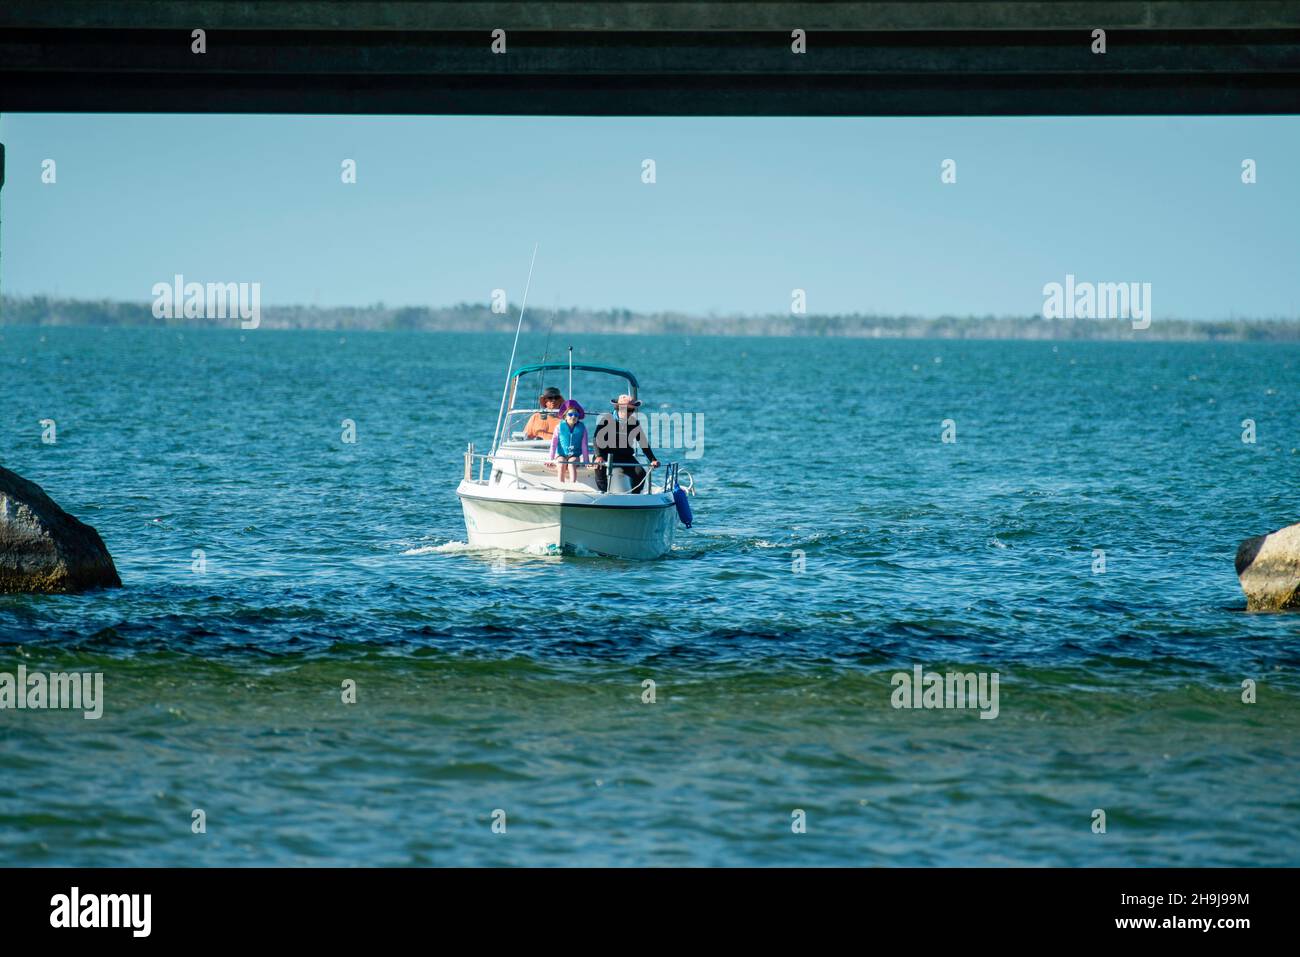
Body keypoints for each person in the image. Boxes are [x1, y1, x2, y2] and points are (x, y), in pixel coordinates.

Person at [593, 393, 659, 494]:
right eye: (627, 410)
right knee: (599, 466)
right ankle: (603, 492)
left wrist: (653, 459)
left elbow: (643, 443)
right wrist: (598, 456)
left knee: (640, 473)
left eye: (632, 410)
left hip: (624, 456)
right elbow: (596, 439)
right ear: (619, 408)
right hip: (605, 454)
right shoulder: (607, 419)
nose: (629, 413)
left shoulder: (634, 422)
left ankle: (635, 496)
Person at [549, 400, 590, 485]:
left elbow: (584, 446)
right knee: (561, 463)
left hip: (574, 456)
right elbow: (554, 444)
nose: (573, 417)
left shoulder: (582, 428)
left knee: (571, 463)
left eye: (576, 415)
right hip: (561, 454)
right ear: (565, 416)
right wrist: (551, 459)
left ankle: (573, 484)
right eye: (570, 414)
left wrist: (586, 462)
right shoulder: (559, 427)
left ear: (578, 417)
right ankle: (560, 483)